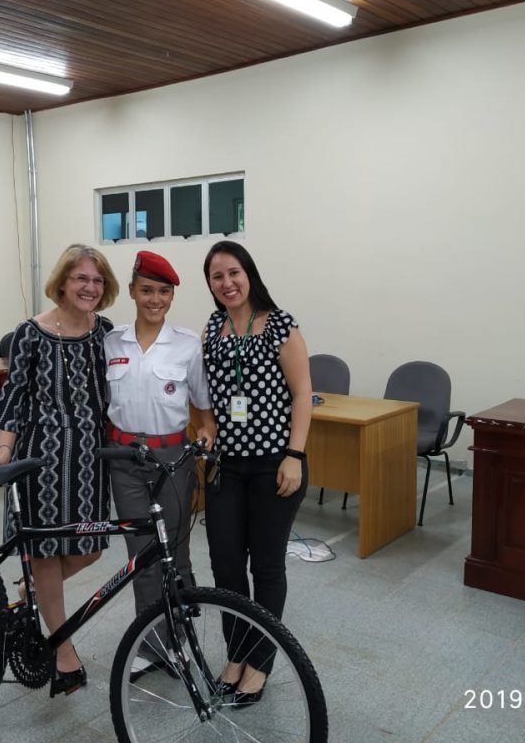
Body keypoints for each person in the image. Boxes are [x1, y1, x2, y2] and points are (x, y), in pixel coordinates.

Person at [0, 243, 119, 698]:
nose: (89, 287)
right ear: (62, 282)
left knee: (90, 547)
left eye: (97, 280)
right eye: (81, 278)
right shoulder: (31, 333)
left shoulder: (105, 332)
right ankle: (63, 651)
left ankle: (32, 589)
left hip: (91, 458)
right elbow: (13, 398)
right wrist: (5, 451)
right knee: (46, 550)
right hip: (41, 459)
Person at [201, 240, 311, 707]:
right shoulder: (213, 328)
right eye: (217, 276)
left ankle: (260, 662)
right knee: (226, 565)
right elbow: (206, 394)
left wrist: (295, 455)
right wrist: (207, 428)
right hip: (226, 468)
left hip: (273, 466)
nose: (227, 283)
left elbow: (303, 394)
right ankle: (236, 654)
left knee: (266, 566)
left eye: (234, 273)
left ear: (249, 274)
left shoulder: (281, 324)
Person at [103, 251, 215, 680]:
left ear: (171, 296)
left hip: (172, 460)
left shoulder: (187, 345)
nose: (155, 299)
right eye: (147, 290)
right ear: (132, 291)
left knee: (176, 553)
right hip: (125, 462)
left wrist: (207, 432)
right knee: (143, 555)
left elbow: (203, 408)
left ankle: (179, 635)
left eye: (163, 292)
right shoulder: (111, 343)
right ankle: (153, 644)